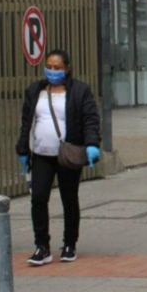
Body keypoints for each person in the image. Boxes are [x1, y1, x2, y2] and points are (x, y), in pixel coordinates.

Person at [16, 49, 102, 266]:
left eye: (57, 68)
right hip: (42, 155)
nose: (52, 71)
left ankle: (69, 244)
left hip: (67, 155)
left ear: (67, 69)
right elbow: (27, 122)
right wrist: (22, 151)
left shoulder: (79, 91)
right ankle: (42, 246)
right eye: (49, 67)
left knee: (69, 199)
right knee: (38, 199)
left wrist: (92, 144)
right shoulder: (36, 90)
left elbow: (90, 119)